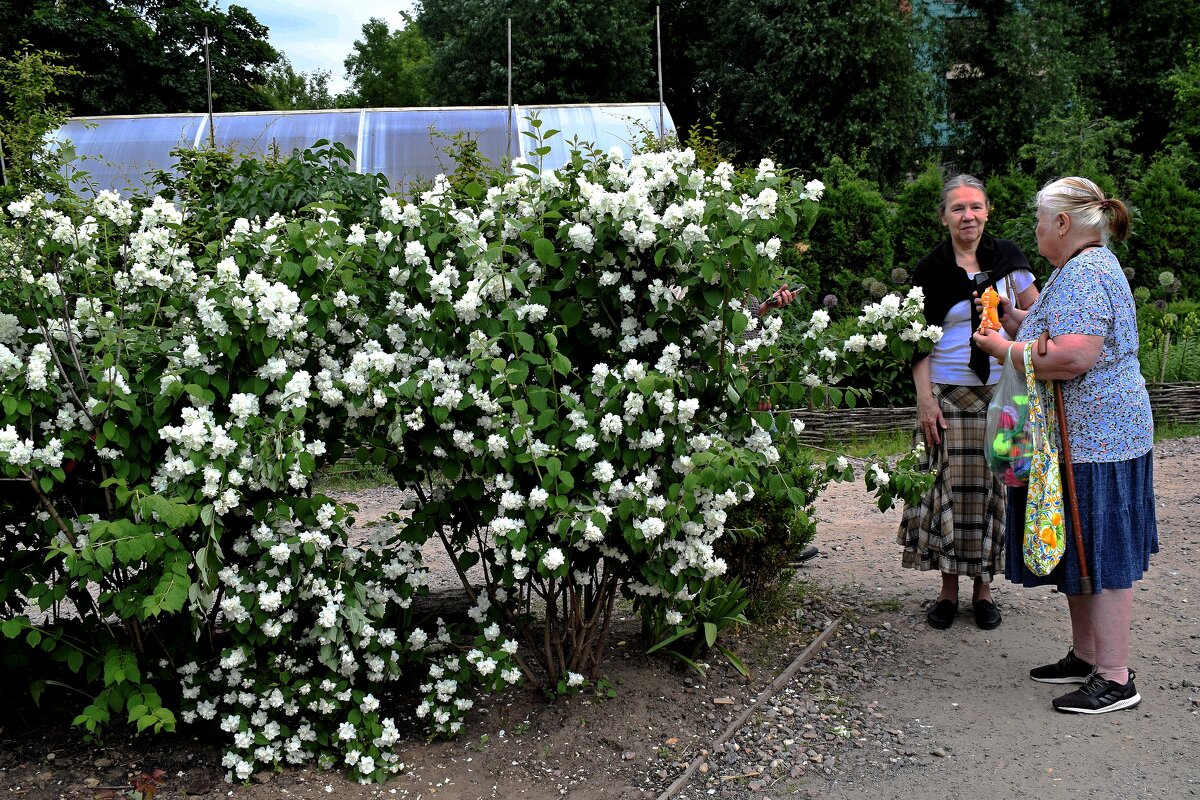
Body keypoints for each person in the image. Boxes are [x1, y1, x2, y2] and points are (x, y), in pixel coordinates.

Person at [972, 177, 1157, 714]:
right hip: (1082, 438)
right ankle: (1086, 655)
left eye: (1038, 219)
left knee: (1104, 552)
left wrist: (1005, 349)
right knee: (1080, 547)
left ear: (1061, 224)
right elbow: (1057, 328)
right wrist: (1017, 322)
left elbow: (1074, 357)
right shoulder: (1075, 270)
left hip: (1101, 438)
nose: (1033, 229)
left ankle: (1116, 676)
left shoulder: (1087, 272)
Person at [899, 174, 1039, 630]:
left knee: (995, 487)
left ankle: (984, 591)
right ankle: (946, 590)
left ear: (988, 211)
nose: (968, 216)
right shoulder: (931, 270)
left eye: (976, 207)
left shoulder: (1010, 262)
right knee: (947, 489)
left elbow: (1037, 323)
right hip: (947, 392)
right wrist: (925, 400)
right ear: (944, 217)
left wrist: (1015, 325)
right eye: (958, 208)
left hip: (1005, 392)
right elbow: (914, 341)